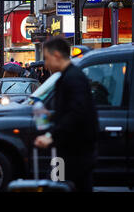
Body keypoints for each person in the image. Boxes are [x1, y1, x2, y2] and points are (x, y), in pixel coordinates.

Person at [34, 37, 98, 192]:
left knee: (63, 185)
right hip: (70, 148)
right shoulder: (68, 77)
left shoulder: (72, 78)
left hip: (75, 151)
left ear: (56, 55)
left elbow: (77, 113)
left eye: (47, 58)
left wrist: (50, 137)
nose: (46, 64)